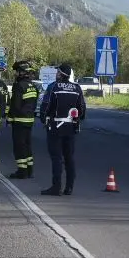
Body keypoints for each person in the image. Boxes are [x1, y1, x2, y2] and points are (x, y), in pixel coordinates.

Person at [39, 63, 86, 195]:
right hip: (71, 128)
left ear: (60, 74)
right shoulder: (77, 88)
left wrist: (44, 119)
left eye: (57, 72)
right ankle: (69, 187)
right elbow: (82, 110)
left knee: (57, 158)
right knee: (69, 158)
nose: (56, 74)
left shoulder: (53, 86)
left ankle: (56, 187)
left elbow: (45, 106)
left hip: (55, 127)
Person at [6, 60, 42, 178]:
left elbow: (15, 105)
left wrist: (9, 119)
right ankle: (29, 169)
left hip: (19, 121)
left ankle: (22, 171)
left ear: (22, 73)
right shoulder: (33, 86)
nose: (16, 74)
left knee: (19, 146)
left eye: (17, 72)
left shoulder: (19, 86)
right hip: (29, 120)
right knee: (27, 145)